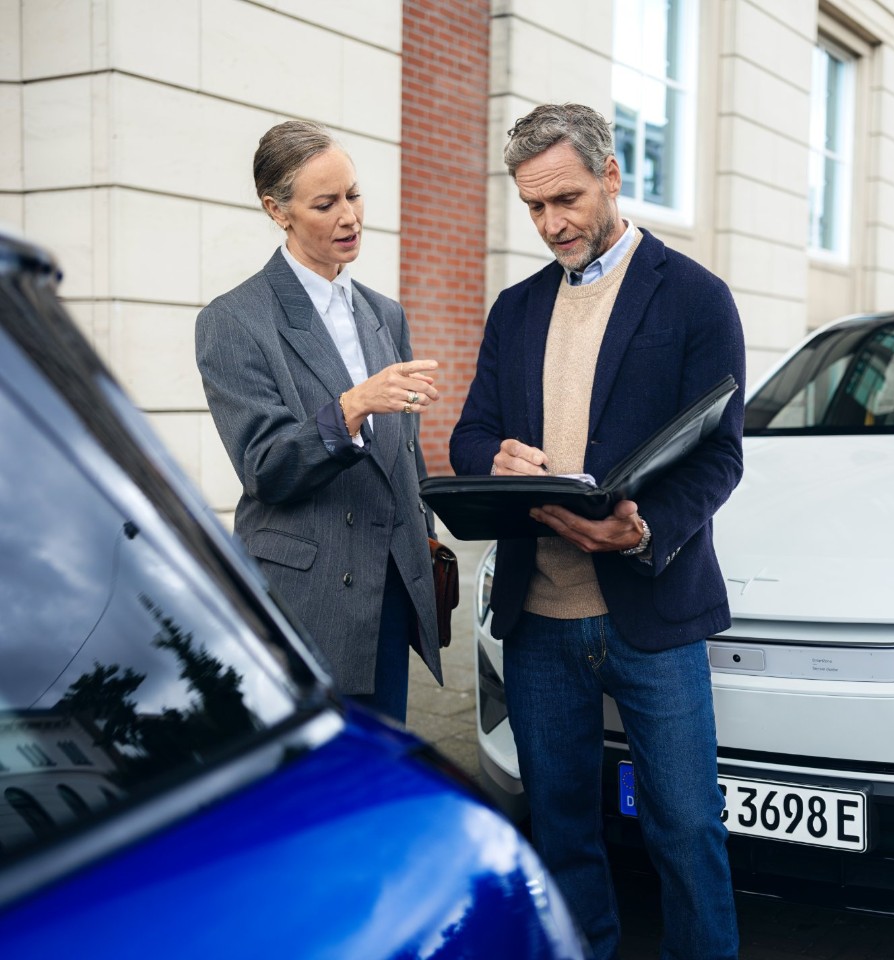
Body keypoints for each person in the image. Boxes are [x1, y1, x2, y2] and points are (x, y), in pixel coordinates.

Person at [450, 103, 743, 960]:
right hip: (539, 618)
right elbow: (472, 433)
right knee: (562, 830)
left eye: (566, 199)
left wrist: (644, 530)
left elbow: (719, 456)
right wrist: (493, 456)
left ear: (613, 176)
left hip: (652, 609)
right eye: (534, 207)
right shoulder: (514, 309)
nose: (552, 224)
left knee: (687, 831)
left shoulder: (694, 296)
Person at [196, 119, 442, 722]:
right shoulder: (233, 320)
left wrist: (428, 534)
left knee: (378, 773)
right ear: (277, 211)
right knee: (306, 789)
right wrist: (353, 406)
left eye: (354, 195)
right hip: (303, 600)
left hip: (388, 591)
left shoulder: (385, 313)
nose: (349, 216)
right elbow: (266, 468)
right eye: (325, 203)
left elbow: (406, 451)